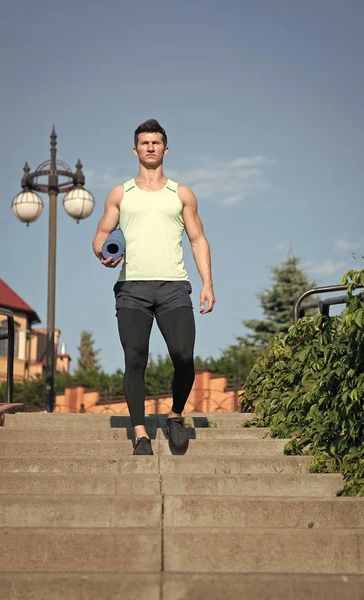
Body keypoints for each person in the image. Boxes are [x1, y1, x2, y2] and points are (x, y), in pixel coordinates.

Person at [92, 119, 215, 455]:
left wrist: (207, 283)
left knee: (183, 356)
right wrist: (104, 254)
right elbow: (101, 236)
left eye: (156, 142)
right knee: (135, 359)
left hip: (174, 286)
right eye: (144, 143)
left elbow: (198, 239)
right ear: (135, 150)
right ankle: (139, 433)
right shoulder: (121, 193)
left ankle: (174, 416)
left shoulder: (182, 194)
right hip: (131, 288)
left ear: (165, 148)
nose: (150, 147)